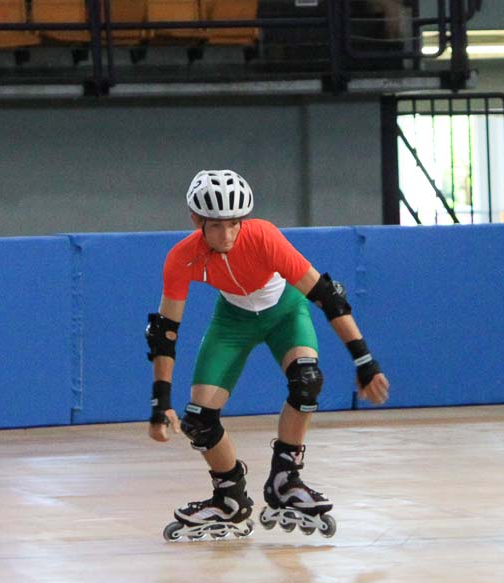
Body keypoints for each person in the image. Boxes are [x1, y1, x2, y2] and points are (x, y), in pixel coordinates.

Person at [147, 169, 390, 541]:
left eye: (233, 224)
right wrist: (160, 400)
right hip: (233, 320)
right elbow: (165, 333)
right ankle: (229, 497)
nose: (227, 236)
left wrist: (364, 360)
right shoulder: (182, 257)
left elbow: (327, 296)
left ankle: (285, 481)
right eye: (215, 226)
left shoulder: (263, 236)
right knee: (198, 420)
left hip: (285, 311)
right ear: (197, 221)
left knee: (307, 381)